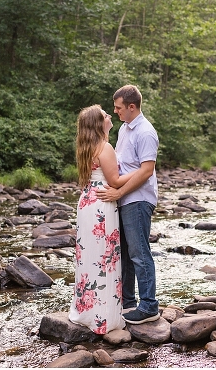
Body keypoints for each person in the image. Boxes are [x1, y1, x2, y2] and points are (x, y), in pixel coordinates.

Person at [68, 105, 135, 334]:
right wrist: (142, 172)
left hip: (87, 202)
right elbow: (115, 182)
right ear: (99, 123)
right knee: (105, 259)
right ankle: (104, 317)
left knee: (89, 258)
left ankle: (87, 309)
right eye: (105, 115)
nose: (109, 116)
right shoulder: (104, 147)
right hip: (102, 205)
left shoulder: (85, 147)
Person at [96, 85, 160, 325]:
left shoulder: (145, 132)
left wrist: (119, 192)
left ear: (132, 107)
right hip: (124, 199)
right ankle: (128, 302)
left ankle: (149, 306)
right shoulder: (125, 129)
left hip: (138, 199)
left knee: (139, 253)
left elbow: (146, 172)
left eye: (119, 107)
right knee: (124, 253)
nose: (116, 111)